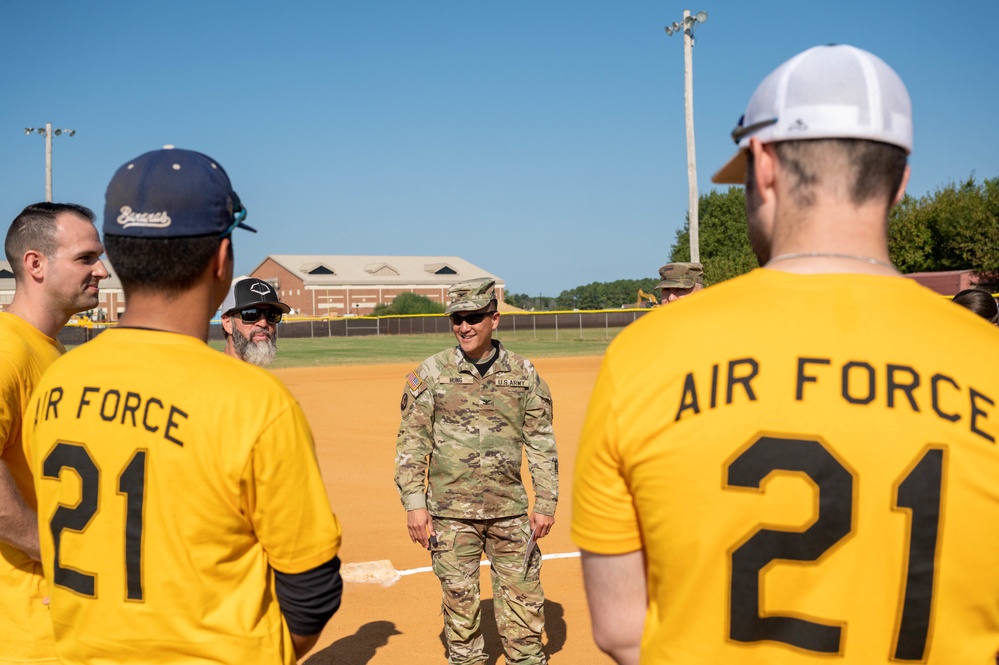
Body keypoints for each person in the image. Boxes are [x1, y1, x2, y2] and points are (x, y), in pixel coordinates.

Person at [572, 44, 999, 664]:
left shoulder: (645, 355)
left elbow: (619, 630)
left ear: (764, 164)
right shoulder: (987, 359)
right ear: (900, 182)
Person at [23, 147, 342, 665]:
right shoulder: (254, 403)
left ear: (117, 258)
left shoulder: (57, 380)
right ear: (221, 259)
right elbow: (312, 593)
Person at [395, 277, 558, 665]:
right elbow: (411, 442)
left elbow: (541, 440)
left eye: (473, 318)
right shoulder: (431, 373)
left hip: (511, 512)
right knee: (460, 610)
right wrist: (415, 504)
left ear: (494, 319)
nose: (464, 327)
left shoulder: (523, 373)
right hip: (451, 517)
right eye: (457, 318)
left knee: (525, 606)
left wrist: (546, 501)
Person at [0, 202, 107, 664]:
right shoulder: (7, 349)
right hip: (28, 625)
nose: (102, 270)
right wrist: (56, 554)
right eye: (85, 258)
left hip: (59, 618)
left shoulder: (49, 351)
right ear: (35, 264)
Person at [220, 277, 290, 365]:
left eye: (271, 314)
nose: (263, 323)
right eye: (251, 314)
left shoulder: (260, 377)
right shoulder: (209, 376)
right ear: (228, 323)